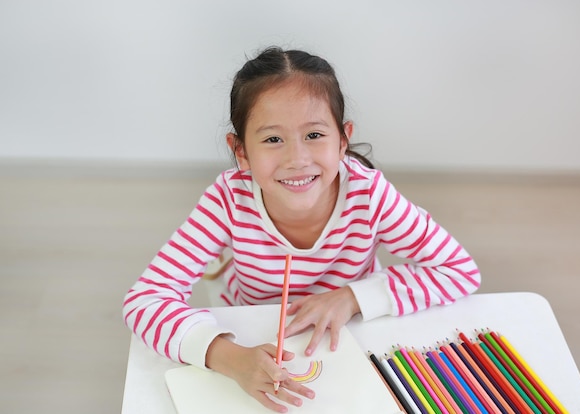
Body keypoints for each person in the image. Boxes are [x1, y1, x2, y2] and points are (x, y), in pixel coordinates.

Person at [123, 46, 481, 413]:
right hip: (255, 338)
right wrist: (230, 358)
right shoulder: (229, 198)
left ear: (343, 140)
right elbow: (145, 300)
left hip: (351, 339)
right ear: (241, 151)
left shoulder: (370, 194)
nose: (297, 160)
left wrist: (353, 297)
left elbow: (458, 270)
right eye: (273, 139)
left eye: (314, 135)